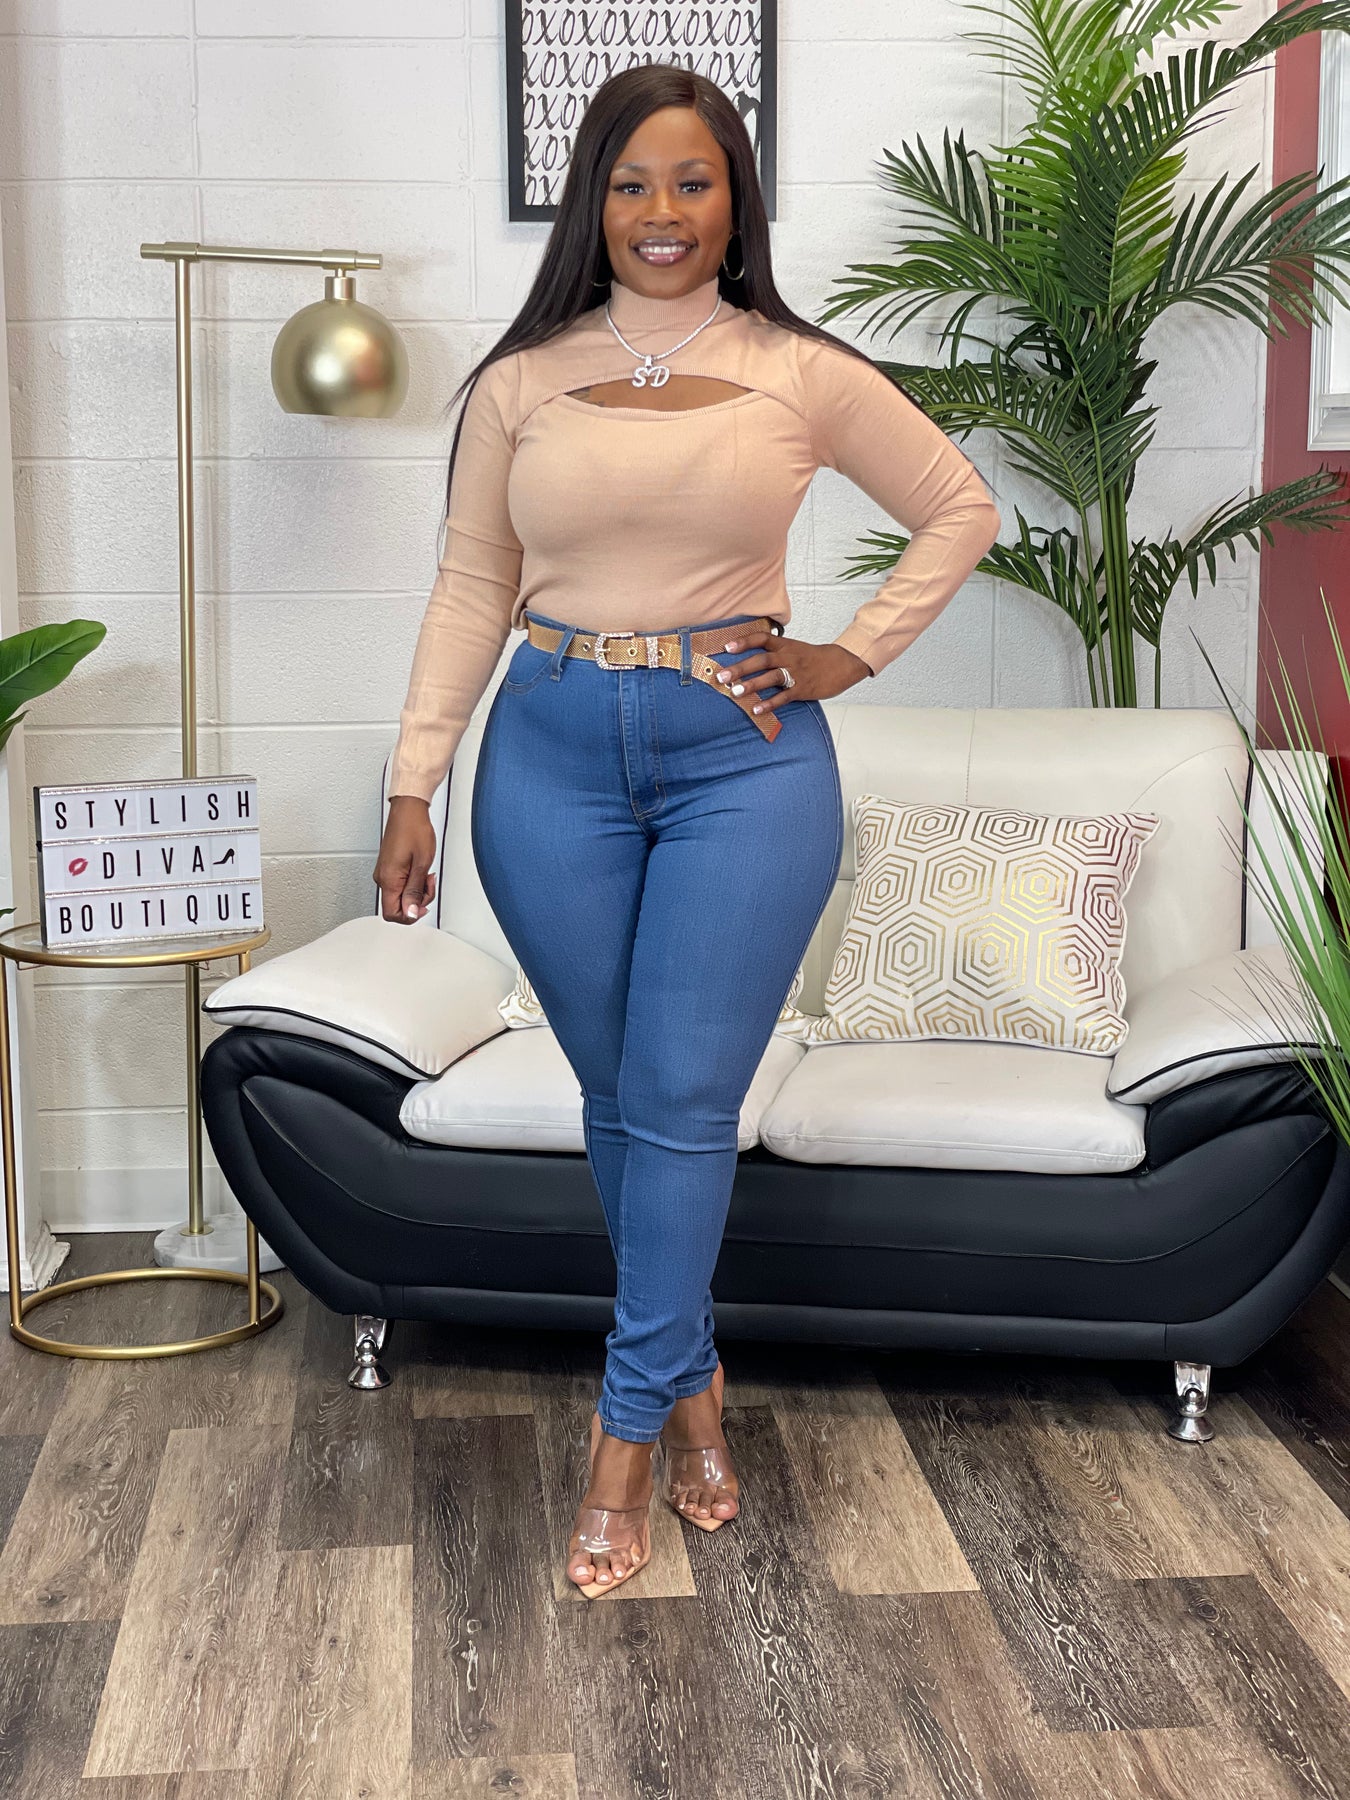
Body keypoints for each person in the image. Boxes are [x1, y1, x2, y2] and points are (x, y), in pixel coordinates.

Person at [373, 64, 1000, 1600]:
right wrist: (414, 780)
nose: (661, 212)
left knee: (674, 1102)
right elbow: (470, 584)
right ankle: (695, 1386)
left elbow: (958, 506)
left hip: (744, 762)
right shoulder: (521, 382)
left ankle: (624, 1438)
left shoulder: (798, 369)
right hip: (546, 757)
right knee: (623, 1098)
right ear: (592, 200)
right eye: (632, 182)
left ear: (736, 201)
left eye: (693, 181)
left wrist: (848, 653)